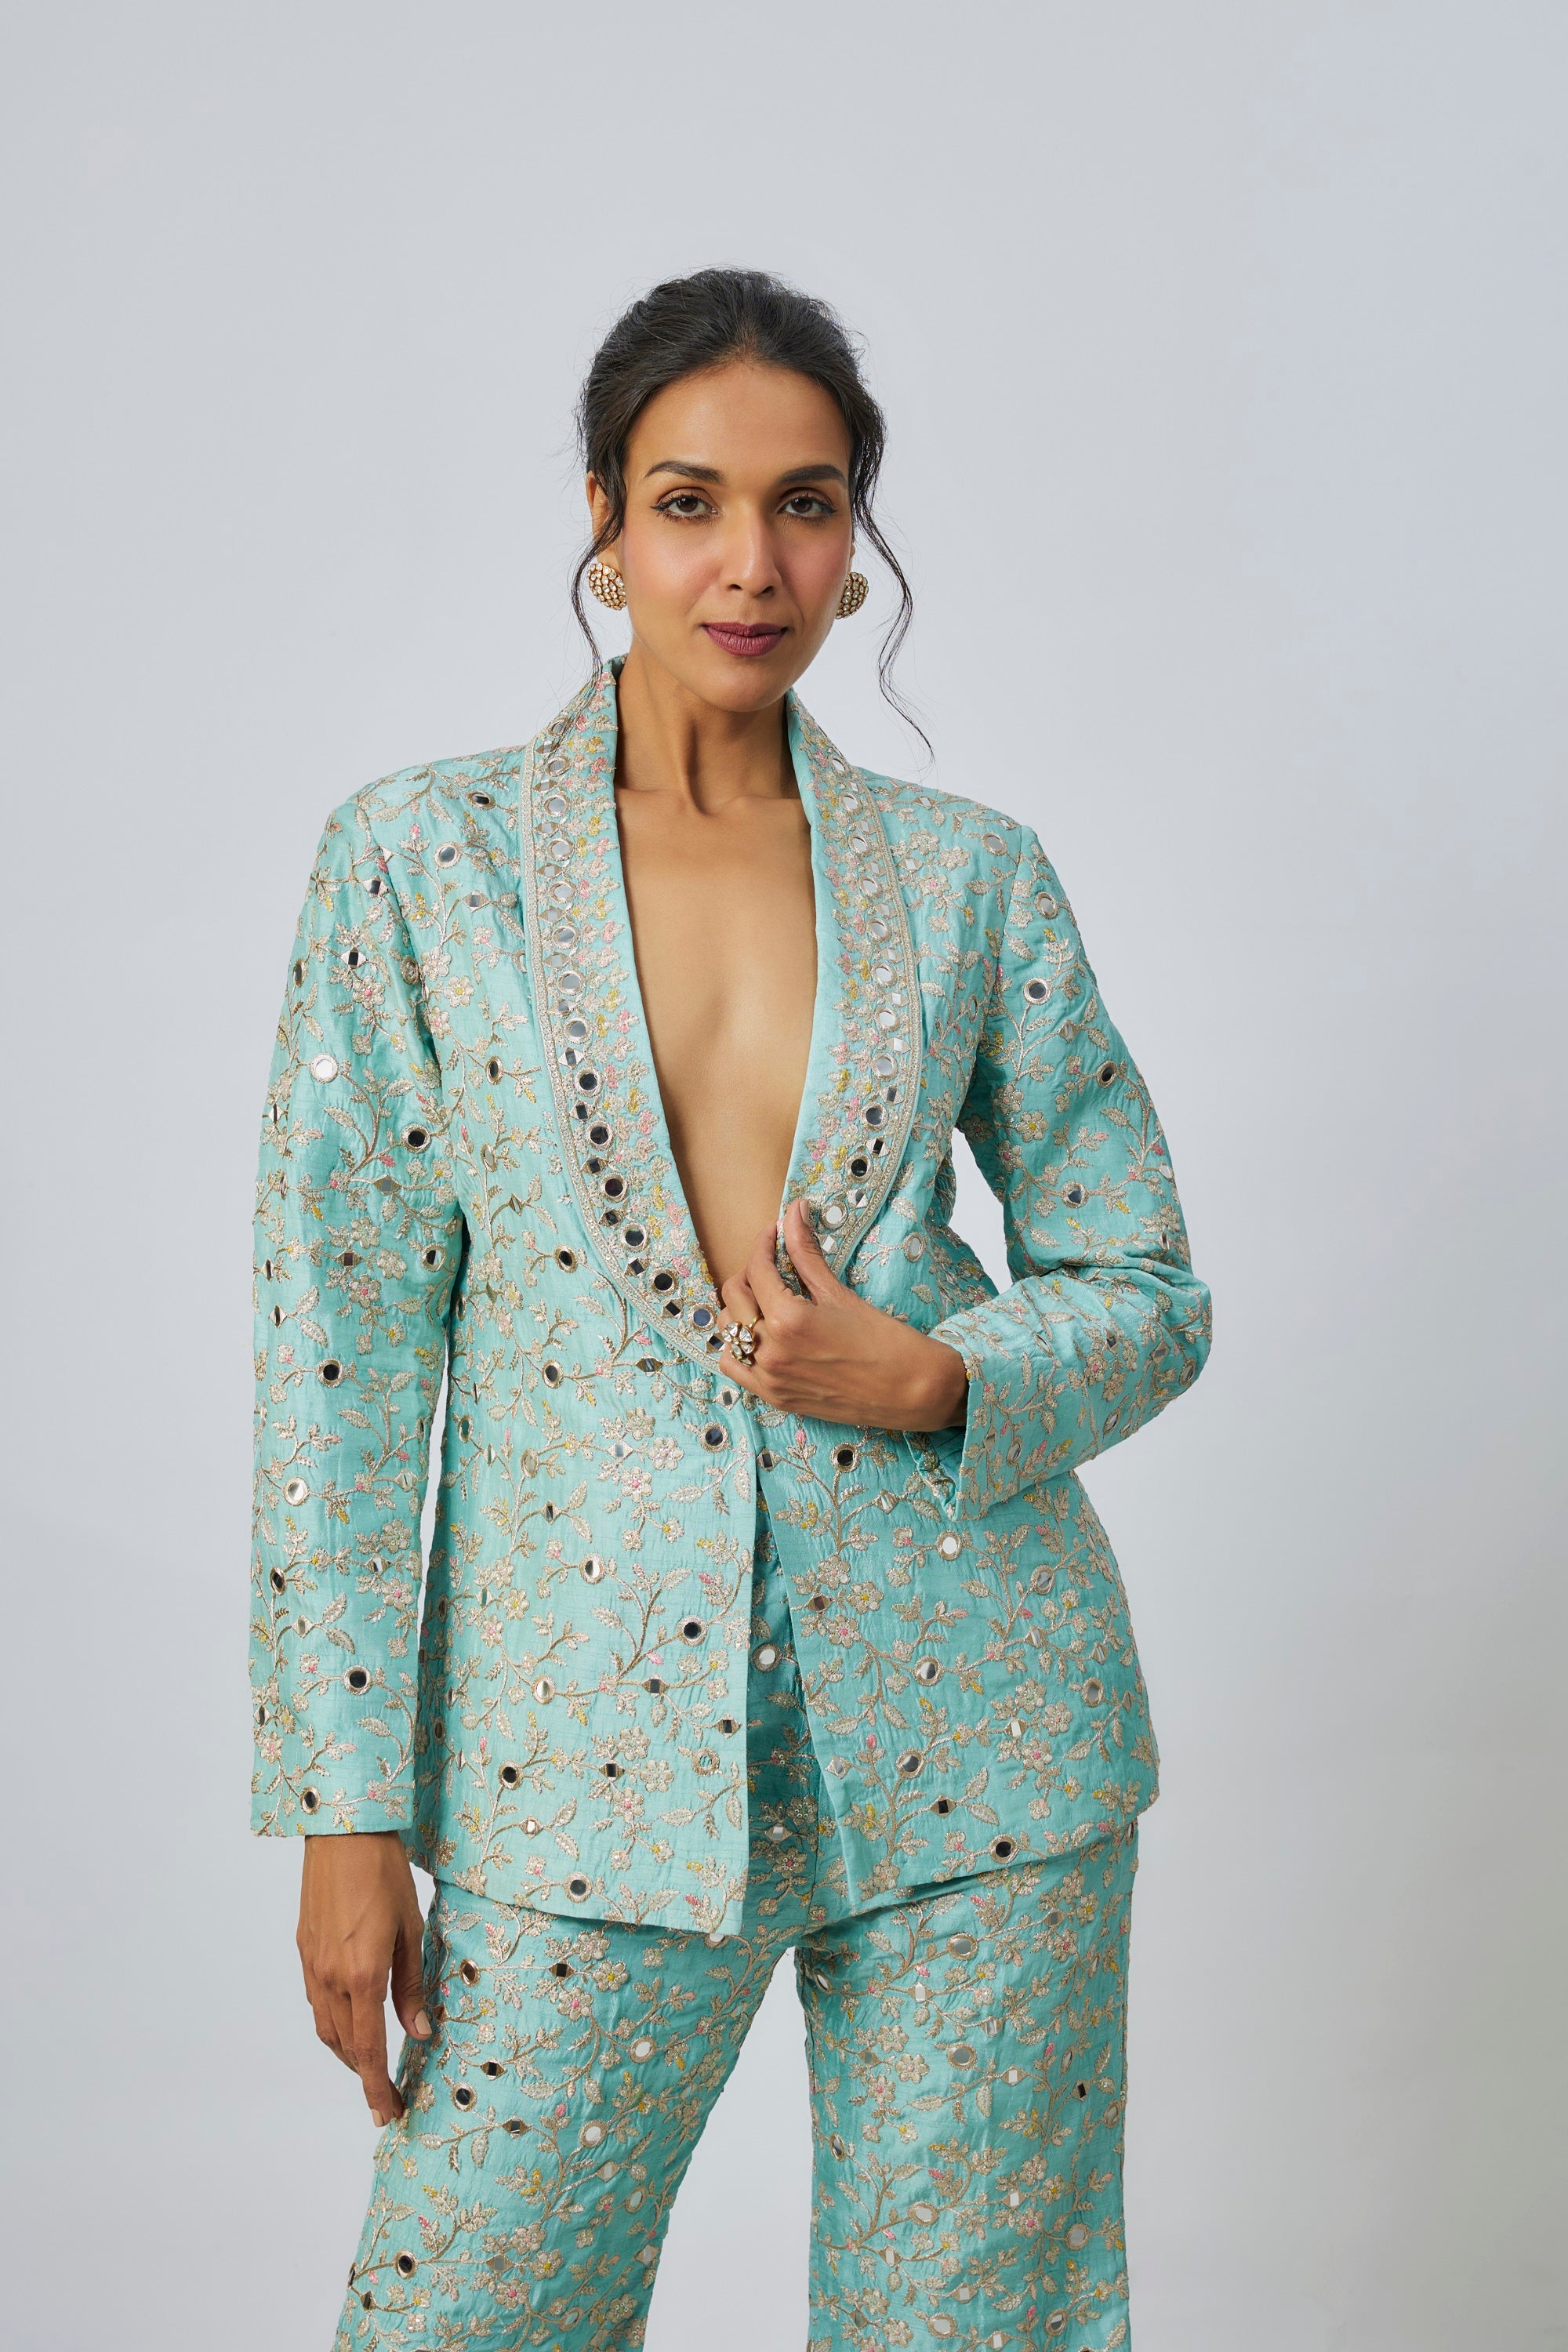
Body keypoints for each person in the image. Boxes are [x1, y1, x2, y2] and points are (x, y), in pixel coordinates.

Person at [251, 266, 1211, 2351]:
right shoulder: (418, 868)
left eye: (806, 503)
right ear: (605, 521)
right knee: (469, 2308)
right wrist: (344, 1808)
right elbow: (343, 1366)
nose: (750, 564)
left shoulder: (970, 877)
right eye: (690, 502)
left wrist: (943, 1373)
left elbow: (1146, 1282)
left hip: (988, 1736)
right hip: (572, 1760)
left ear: (858, 539)